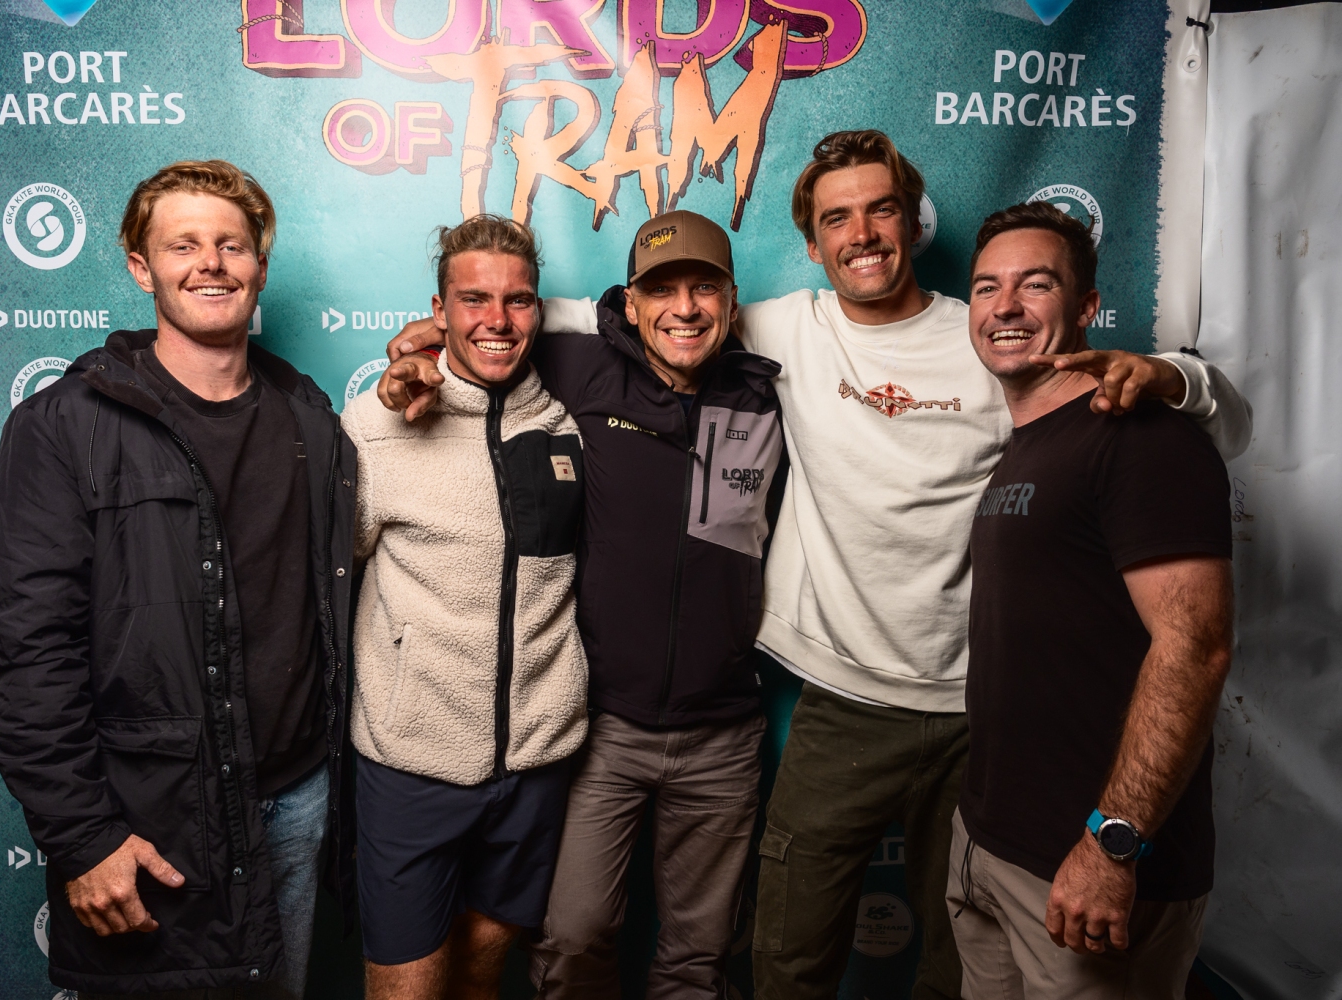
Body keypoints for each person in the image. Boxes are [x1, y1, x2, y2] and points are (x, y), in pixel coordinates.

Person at [385, 130, 1251, 1000]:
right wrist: (438, 341)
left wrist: (1176, 379)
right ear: (810, 244)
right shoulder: (772, 331)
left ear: (911, 223)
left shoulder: (983, 337)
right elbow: (560, 315)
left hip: (964, 708)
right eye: (837, 218)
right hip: (797, 703)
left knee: (954, 957)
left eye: (881, 210)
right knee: (707, 950)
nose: (861, 233)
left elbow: (1206, 420)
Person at [0, 161, 356, 997]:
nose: (210, 262)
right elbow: (26, 649)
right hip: (151, 821)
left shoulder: (311, 420)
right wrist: (82, 836)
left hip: (297, 802)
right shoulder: (63, 426)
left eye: (231, 245)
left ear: (260, 267)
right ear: (142, 269)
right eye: (183, 245)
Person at [381, 209, 785, 997]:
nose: (685, 308)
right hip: (603, 729)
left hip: (725, 731)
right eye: (661, 290)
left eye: (705, 288)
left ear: (732, 302)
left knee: (699, 956)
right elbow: (486, 335)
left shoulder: (764, 394)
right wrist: (416, 349)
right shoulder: (578, 367)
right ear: (629, 304)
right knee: (572, 938)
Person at [947, 201, 1233, 997]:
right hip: (992, 850)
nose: (1005, 307)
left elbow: (1196, 648)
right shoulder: (1028, 447)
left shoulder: (1142, 438)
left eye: (1035, 285)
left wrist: (1113, 844)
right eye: (986, 288)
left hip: (1088, 871)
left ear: (1086, 308)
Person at [343, 214, 588, 1000]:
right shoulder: (377, 425)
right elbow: (327, 576)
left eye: (518, 300)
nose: (498, 320)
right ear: (438, 309)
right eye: (474, 299)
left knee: (485, 973)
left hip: (537, 760)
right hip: (412, 763)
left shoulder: (564, 422)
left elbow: (646, 319)